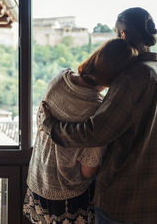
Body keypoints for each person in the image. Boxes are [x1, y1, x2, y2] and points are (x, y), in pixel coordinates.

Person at [40, 7, 157, 224]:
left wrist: (51, 127)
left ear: (122, 35)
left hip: (124, 203)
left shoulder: (133, 78)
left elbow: (96, 132)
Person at [23, 38, 137, 224]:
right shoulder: (97, 110)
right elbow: (87, 171)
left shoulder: (59, 79)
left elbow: (41, 122)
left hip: (38, 181)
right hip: (67, 194)